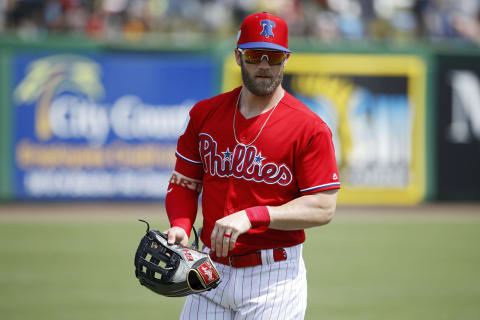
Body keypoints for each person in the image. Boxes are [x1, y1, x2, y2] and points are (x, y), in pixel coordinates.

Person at [164, 12, 340, 319]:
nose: (263, 65)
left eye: (273, 56)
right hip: (208, 270)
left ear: (286, 59)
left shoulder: (309, 127)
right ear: (237, 56)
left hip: (274, 278)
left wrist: (253, 216)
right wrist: (180, 225)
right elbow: (184, 184)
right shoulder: (205, 115)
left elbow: (323, 206)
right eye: (254, 54)